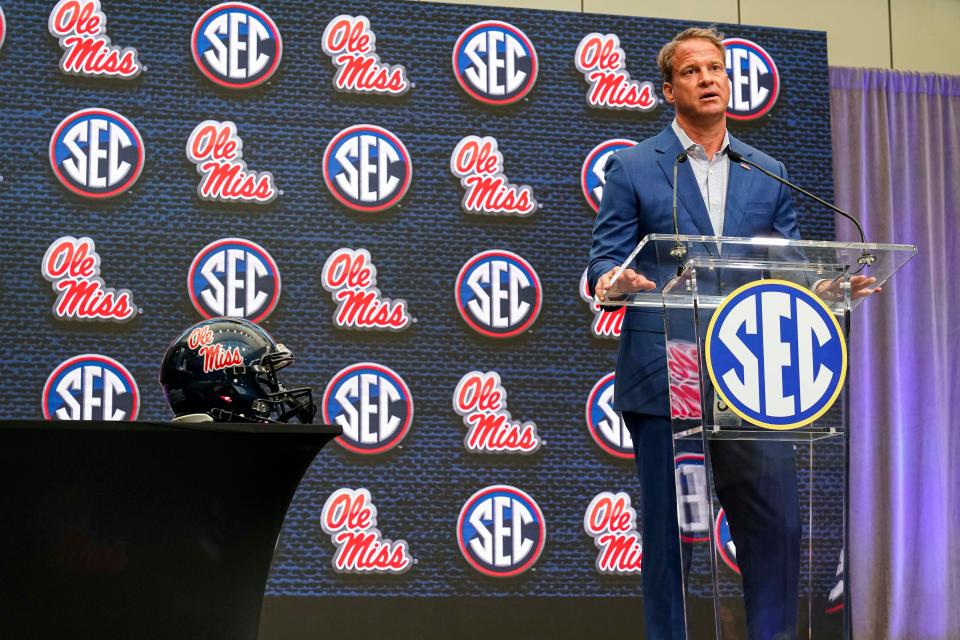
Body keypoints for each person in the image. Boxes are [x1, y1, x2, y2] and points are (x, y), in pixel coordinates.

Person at [588, 27, 815, 640]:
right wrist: (617, 278)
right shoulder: (634, 166)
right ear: (669, 89)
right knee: (673, 534)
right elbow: (602, 262)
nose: (710, 78)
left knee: (777, 528)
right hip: (670, 370)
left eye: (717, 68)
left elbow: (790, 264)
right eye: (693, 71)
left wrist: (822, 289)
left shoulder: (768, 171)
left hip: (750, 374)